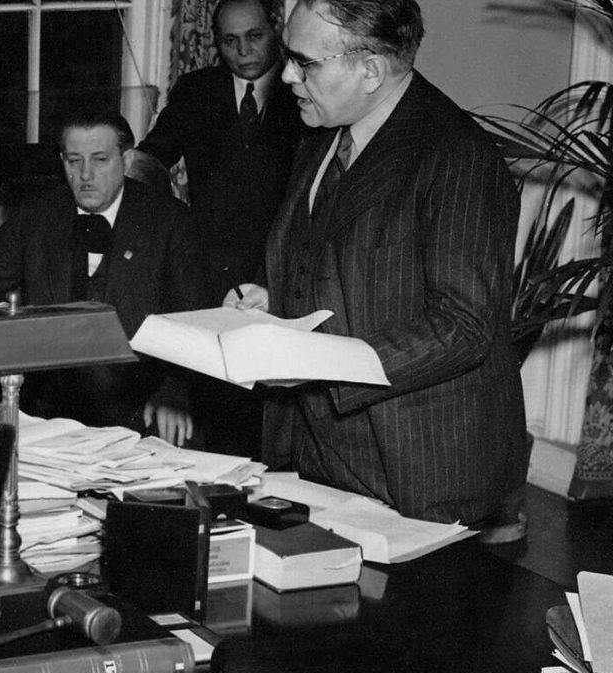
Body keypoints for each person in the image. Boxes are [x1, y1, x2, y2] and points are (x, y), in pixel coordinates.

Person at [225, 0, 528, 529]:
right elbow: (343, 265)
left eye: (305, 62)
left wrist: (321, 363)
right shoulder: (324, 129)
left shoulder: (458, 156)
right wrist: (274, 301)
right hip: (321, 455)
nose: (288, 75)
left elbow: (464, 327)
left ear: (370, 70)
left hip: (419, 465)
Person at [0, 112, 199, 442]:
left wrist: (174, 394)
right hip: (46, 402)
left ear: (127, 159)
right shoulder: (36, 217)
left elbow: (194, 322)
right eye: (74, 160)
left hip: (136, 402)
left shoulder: (170, 222)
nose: (85, 175)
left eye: (100, 160)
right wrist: (8, 329)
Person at [135, 0, 303, 457]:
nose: (243, 50)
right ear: (216, 42)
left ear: (277, 29)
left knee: (268, 419)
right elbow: (150, 158)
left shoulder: (303, 92)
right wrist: (162, 209)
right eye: (230, 40)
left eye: (254, 36)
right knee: (216, 422)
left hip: (278, 270)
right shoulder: (197, 90)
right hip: (208, 267)